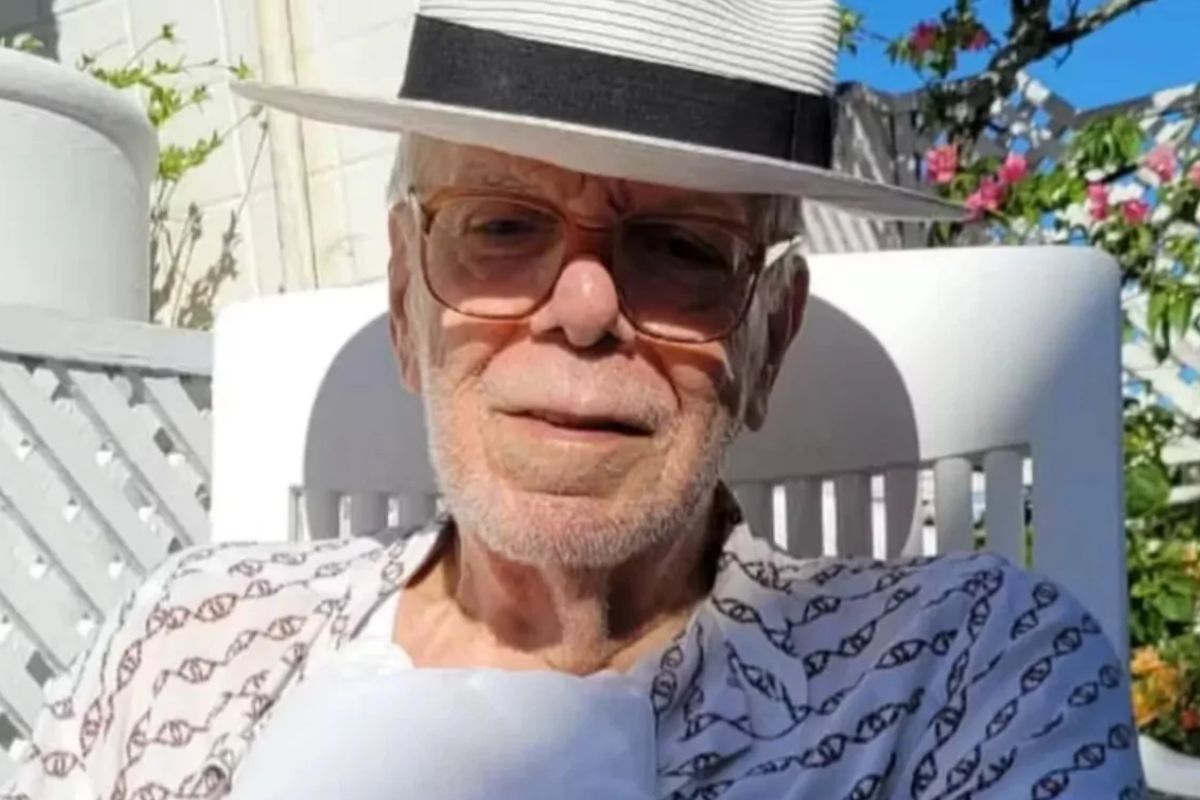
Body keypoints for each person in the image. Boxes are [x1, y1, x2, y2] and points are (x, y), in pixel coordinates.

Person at [2, 1, 1143, 798]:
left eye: (681, 246)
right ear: (404, 300)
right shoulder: (194, 628)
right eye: (502, 224)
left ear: (770, 337)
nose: (586, 307)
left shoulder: (963, 671)